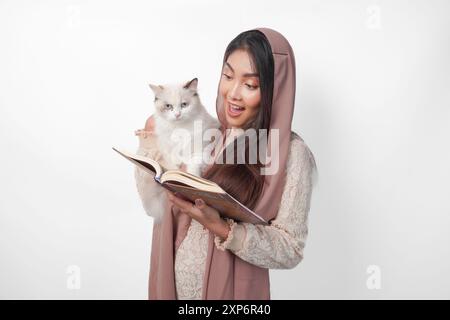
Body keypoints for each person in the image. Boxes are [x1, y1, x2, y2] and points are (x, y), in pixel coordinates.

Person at [134, 27, 318, 300]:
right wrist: (150, 143)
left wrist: (221, 227)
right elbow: (154, 208)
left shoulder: (290, 152)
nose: (233, 93)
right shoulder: (209, 131)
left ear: (274, 90)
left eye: (250, 85)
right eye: (228, 76)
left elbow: (291, 249)